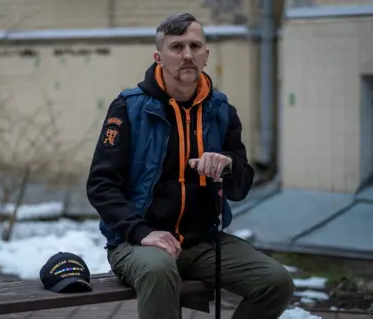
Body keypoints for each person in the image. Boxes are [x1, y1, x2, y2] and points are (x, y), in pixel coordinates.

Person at [86, 12, 294, 319]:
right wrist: (142, 231)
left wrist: (229, 166)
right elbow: (100, 185)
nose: (187, 55)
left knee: (276, 282)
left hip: (202, 242)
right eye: (177, 47)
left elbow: (241, 187)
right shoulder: (129, 108)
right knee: (158, 271)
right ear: (159, 56)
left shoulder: (221, 110)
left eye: (195, 46)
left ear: (206, 55)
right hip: (138, 243)